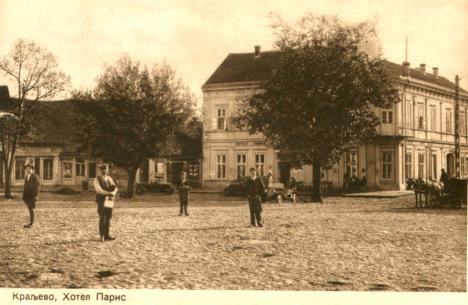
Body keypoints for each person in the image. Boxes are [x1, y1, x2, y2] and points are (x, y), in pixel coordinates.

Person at [94, 164, 118, 241]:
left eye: (105, 169)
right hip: (101, 199)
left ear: (107, 170)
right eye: (102, 169)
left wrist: (113, 193)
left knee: (108, 217)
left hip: (109, 200)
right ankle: (102, 236)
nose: (104, 170)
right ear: (99, 170)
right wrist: (107, 193)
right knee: (102, 217)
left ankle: (107, 235)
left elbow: (115, 188)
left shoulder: (109, 178)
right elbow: (98, 190)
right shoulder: (97, 179)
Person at [23, 164, 40, 228]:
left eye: (29, 169)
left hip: (32, 196)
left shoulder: (35, 176)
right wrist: (24, 197)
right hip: (27, 196)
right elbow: (25, 187)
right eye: (27, 169)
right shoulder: (26, 176)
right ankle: (30, 222)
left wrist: (36, 196)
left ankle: (31, 223)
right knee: (30, 209)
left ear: (32, 170)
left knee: (31, 209)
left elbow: (37, 187)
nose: (28, 170)